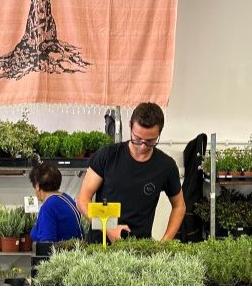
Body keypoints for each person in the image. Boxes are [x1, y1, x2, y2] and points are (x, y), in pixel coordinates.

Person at [76, 102, 185, 243]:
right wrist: (108, 229)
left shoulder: (166, 166)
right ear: (130, 126)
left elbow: (179, 206)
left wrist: (164, 242)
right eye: (138, 138)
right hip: (100, 245)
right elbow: (82, 200)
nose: (143, 146)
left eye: (150, 141)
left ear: (159, 133)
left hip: (138, 249)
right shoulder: (107, 156)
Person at [29, 162, 83, 242]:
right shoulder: (68, 199)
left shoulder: (48, 206)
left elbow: (46, 243)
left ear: (37, 186)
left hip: (57, 253)